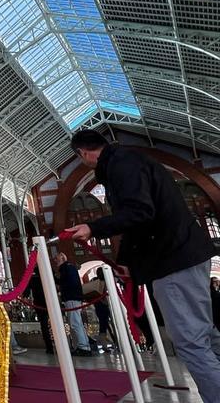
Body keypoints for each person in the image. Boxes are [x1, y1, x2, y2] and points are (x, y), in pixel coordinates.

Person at [66, 130, 220, 401]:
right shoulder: (129, 161)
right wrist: (127, 263)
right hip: (185, 254)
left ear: (83, 153)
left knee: (191, 342)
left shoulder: (121, 165)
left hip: (172, 261)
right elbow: (140, 222)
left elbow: (139, 212)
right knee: (206, 335)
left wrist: (93, 227)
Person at [55, 253, 91, 356]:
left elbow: (68, 283)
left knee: (75, 322)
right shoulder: (67, 268)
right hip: (73, 297)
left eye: (57, 258)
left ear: (62, 258)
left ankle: (83, 346)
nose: (55, 260)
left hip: (71, 298)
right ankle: (83, 345)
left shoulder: (67, 268)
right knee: (76, 322)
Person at [25, 267, 54, 354]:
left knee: (44, 325)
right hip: (50, 302)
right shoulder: (47, 273)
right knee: (54, 324)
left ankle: (49, 347)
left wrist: (25, 296)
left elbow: (27, 289)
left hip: (40, 304)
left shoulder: (33, 277)